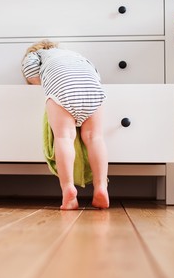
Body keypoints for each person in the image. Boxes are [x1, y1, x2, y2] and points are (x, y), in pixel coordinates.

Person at [21, 40, 109, 210]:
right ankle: (101, 187)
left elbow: (30, 72)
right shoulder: (77, 56)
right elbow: (96, 73)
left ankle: (68, 189)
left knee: (64, 137)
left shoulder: (36, 55)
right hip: (93, 88)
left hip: (63, 88)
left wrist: (37, 81)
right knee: (95, 137)